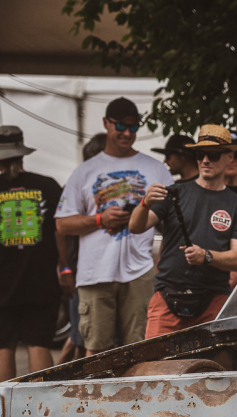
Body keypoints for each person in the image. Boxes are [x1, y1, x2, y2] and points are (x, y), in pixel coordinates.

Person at [55, 98, 173, 355]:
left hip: (141, 272)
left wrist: (161, 265)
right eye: (121, 126)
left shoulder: (156, 169)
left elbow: (173, 222)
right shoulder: (85, 172)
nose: (128, 133)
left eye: (134, 127)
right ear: (106, 123)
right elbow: (62, 225)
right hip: (96, 272)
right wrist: (100, 219)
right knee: (97, 352)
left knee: (142, 348)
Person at [130, 125, 237, 337]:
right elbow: (136, 227)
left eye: (212, 155)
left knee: (217, 367)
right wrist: (144, 203)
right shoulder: (174, 193)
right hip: (167, 296)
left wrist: (206, 255)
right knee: (155, 367)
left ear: (229, 156)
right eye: (200, 154)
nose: (205, 160)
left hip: (214, 299)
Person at [0, 126, 63, 383]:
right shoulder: (48, 186)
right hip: (41, 279)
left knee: (2, 346)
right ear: (22, 154)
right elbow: (61, 230)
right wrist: (65, 269)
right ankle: (43, 411)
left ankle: (6, 414)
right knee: (39, 344)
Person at [58, 135, 106, 365]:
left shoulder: (114, 186)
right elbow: (59, 229)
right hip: (82, 272)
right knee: (81, 339)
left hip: (105, 272)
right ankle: (54, 382)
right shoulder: (76, 185)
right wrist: (65, 268)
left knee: (81, 337)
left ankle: (53, 380)